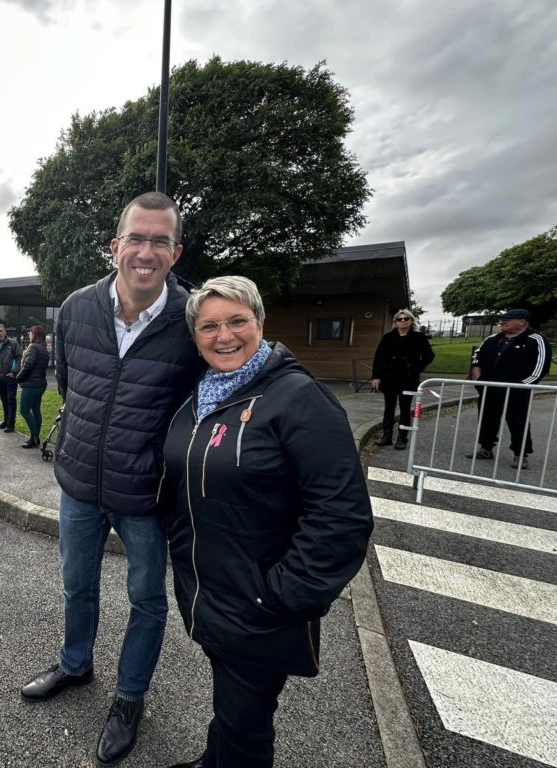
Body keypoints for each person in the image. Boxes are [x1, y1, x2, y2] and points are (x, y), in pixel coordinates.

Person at [20, 192, 201, 767]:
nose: (146, 252)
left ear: (176, 252)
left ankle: (129, 699)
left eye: (160, 241)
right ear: (116, 244)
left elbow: (205, 396)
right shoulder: (75, 307)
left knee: (146, 600)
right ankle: (76, 665)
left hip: (146, 495)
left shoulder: (192, 317)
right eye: (136, 239)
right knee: (78, 586)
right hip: (79, 485)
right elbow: (71, 388)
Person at [162, 276, 373, 768]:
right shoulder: (200, 396)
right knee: (233, 708)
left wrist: (281, 596)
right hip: (207, 591)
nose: (224, 335)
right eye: (209, 326)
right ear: (195, 337)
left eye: (237, 321)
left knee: (247, 723)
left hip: (258, 605)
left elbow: (342, 515)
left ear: (259, 323)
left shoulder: (298, 397)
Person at [468, 308, 552, 469]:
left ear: (522, 321)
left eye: (508, 319)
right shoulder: (492, 339)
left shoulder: (536, 340)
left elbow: (539, 369)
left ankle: (520, 454)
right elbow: (477, 357)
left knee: (518, 422)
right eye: (502, 319)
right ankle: (486, 448)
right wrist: (479, 379)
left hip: (516, 391)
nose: (503, 322)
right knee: (487, 419)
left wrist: (520, 386)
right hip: (489, 388)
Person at [370, 308, 435, 450]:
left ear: (412, 321)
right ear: (395, 322)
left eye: (406, 318)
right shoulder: (388, 338)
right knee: (389, 408)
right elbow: (379, 358)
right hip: (389, 378)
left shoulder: (419, 338)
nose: (403, 321)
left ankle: (402, 438)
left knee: (405, 408)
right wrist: (376, 377)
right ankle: (387, 436)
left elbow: (429, 356)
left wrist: (416, 367)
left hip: (408, 378)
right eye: (400, 319)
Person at [15, 324, 49, 448]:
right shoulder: (43, 348)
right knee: (35, 410)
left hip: (31, 385)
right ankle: (34, 438)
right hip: (40, 384)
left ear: (35, 334)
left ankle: (34, 438)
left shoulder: (33, 347)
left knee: (24, 410)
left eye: (30, 333)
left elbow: (28, 365)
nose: (28, 335)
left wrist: (17, 377)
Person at [0, 324, 21, 432]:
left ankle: (11, 424)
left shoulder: (12, 343)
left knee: (11, 400)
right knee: (4, 399)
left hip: (10, 376)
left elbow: (19, 358)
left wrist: (14, 372)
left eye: (1, 331)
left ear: (5, 332)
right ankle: (5, 421)